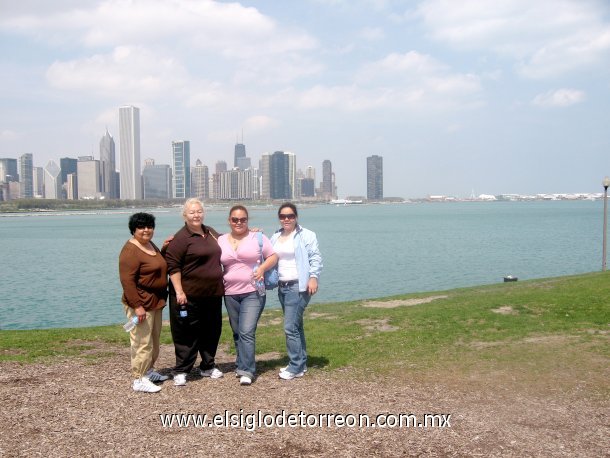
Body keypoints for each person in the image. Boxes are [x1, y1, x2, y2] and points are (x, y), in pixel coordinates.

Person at [164, 198, 225, 386]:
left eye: (199, 211)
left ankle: (208, 365)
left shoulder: (211, 232)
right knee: (186, 333)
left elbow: (230, 242)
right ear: (185, 215)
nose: (196, 215)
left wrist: (251, 234)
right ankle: (181, 370)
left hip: (213, 294)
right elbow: (172, 266)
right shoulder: (180, 238)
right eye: (192, 212)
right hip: (187, 295)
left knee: (211, 330)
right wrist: (179, 291)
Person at [218, 205, 278, 386]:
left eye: (243, 219)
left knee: (246, 331)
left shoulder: (257, 237)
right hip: (229, 293)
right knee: (237, 332)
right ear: (229, 220)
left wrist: (261, 268)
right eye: (235, 219)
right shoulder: (220, 240)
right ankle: (241, 363)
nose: (239, 222)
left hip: (253, 291)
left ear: (247, 220)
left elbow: (273, 256)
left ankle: (247, 370)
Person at [269, 203, 322, 380]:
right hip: (282, 287)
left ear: (296, 217)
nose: (287, 219)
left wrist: (313, 277)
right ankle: (301, 362)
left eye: (290, 216)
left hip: (299, 286)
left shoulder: (306, 235)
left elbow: (315, 257)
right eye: (283, 216)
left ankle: (295, 367)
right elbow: (266, 255)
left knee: (289, 327)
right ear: (279, 218)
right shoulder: (276, 236)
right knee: (296, 326)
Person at [118, 212, 169, 393]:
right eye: (141, 227)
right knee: (142, 342)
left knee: (154, 340)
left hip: (155, 302)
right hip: (141, 304)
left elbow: (156, 264)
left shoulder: (149, 244)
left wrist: (164, 248)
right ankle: (138, 379)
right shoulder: (130, 250)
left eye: (149, 226)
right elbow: (127, 281)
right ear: (134, 230)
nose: (146, 230)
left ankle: (148, 371)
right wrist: (137, 306)